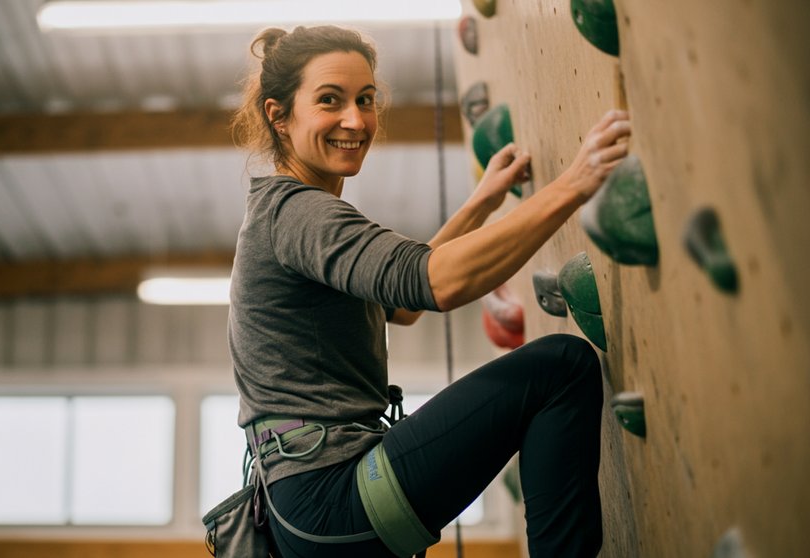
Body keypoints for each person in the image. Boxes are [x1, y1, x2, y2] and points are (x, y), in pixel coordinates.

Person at [227, 25, 630, 558]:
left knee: (557, 369)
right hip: (331, 494)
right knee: (561, 367)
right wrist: (575, 183)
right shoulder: (297, 212)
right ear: (279, 115)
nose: (355, 119)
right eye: (330, 101)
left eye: (365, 99)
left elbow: (401, 304)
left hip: (306, 514)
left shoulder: (278, 214)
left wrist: (481, 203)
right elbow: (436, 282)